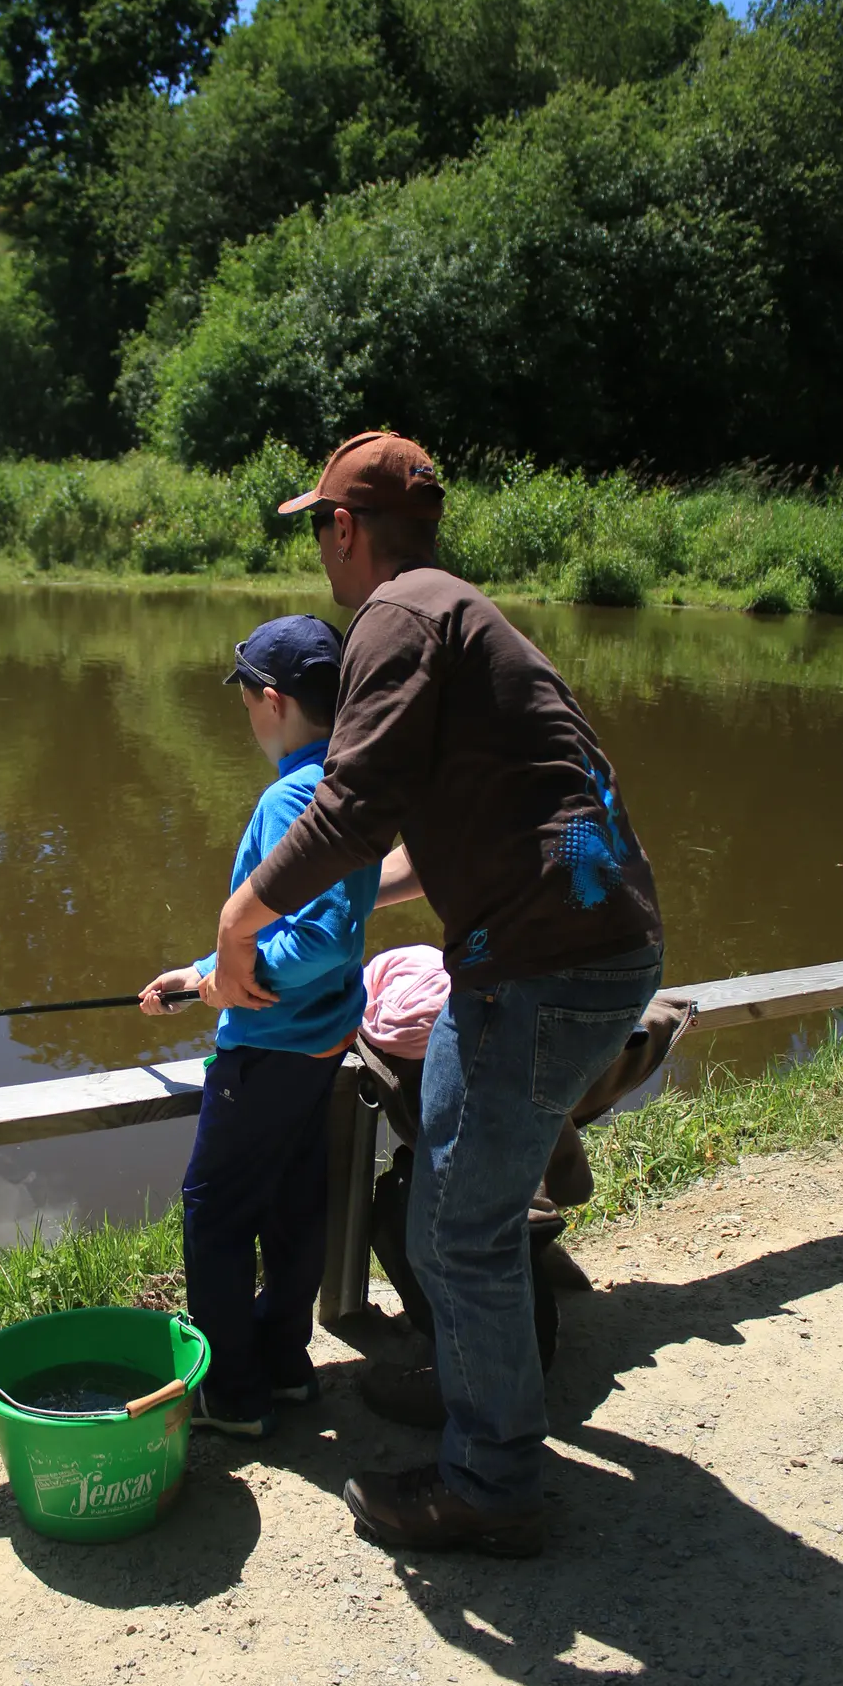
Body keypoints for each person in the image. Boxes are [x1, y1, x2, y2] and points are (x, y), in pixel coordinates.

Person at [210, 431, 664, 1553]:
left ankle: (492, 1484)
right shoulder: (463, 610)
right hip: (603, 941)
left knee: (458, 1230)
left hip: (537, 967)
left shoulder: (393, 618)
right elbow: (452, 829)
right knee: (464, 1212)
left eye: (318, 527)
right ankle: (483, 1402)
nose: (319, 549)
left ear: (343, 528)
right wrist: (361, 897)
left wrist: (239, 919)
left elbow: (353, 808)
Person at [140, 614, 380, 1439]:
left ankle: (231, 1393)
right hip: (318, 1046)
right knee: (291, 1207)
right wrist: (201, 974)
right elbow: (301, 924)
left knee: (213, 1212)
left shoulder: (290, 798)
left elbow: (320, 938)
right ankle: (284, 1365)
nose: (246, 717)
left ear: (272, 702)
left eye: (246, 702)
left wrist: (237, 986)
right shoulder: (350, 789)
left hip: (267, 1051)